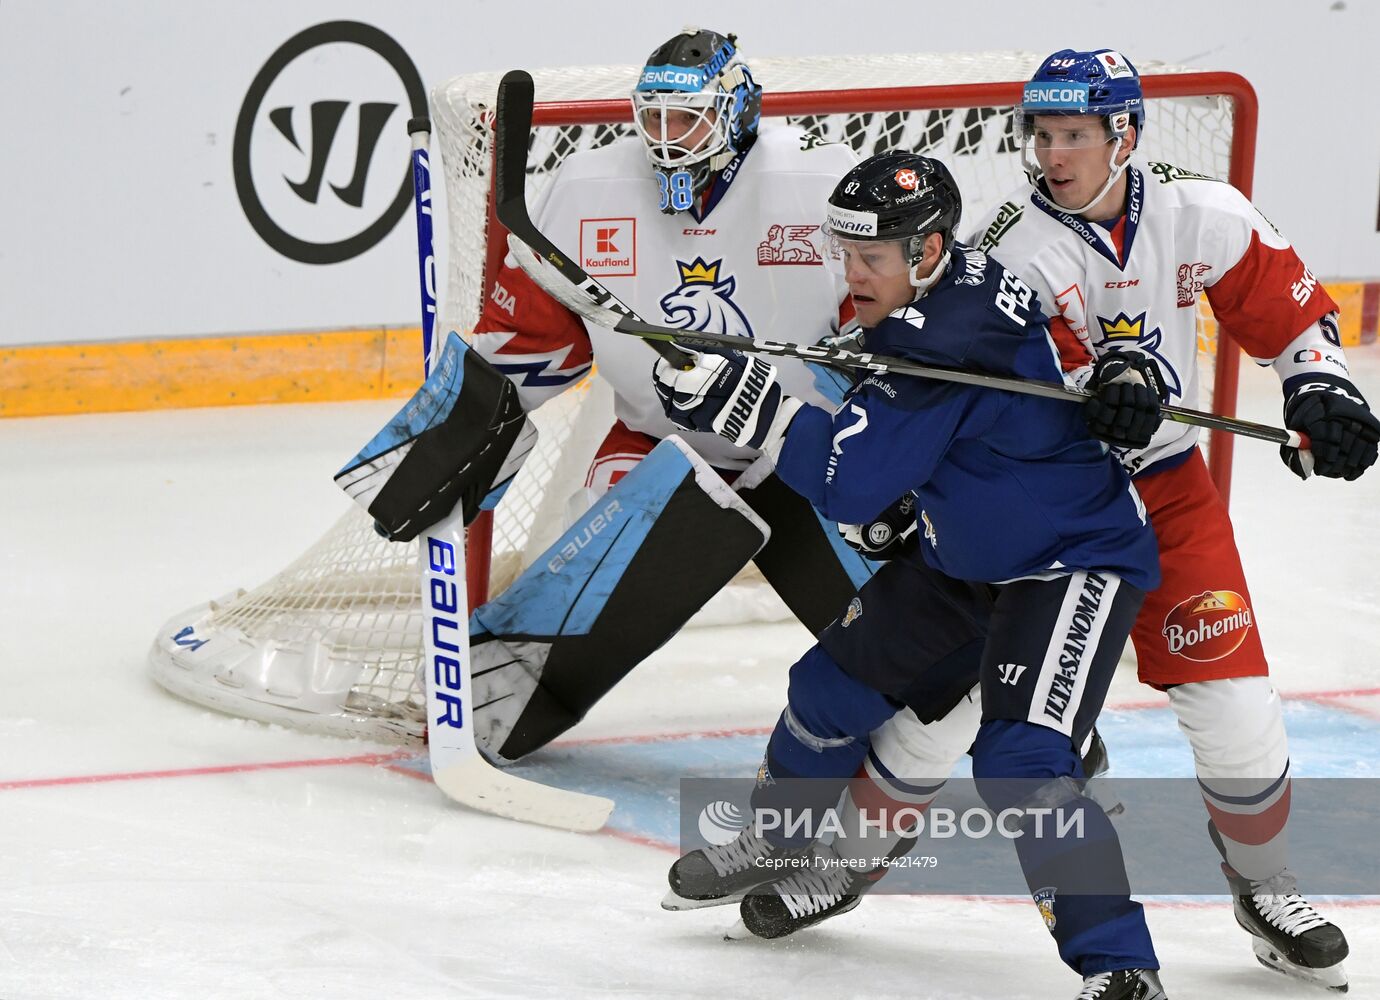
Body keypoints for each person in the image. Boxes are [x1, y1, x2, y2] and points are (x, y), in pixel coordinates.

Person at [654, 151, 1169, 1000]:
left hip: (1068, 561)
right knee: (826, 690)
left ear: (929, 251)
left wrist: (757, 409)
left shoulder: (943, 334)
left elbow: (848, 480)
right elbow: (911, 446)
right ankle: (782, 840)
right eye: (845, 253)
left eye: (872, 260)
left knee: (1021, 760)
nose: (852, 275)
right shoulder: (943, 294)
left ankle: (1120, 965)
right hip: (960, 554)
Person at [966, 47, 1375, 993]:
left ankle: (1264, 885)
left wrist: (1321, 392)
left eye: (1074, 135)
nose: (1052, 154)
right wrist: (1090, 387)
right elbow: (1021, 375)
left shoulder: (1205, 211)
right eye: (1041, 134)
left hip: (1168, 493)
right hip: (1047, 508)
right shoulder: (1008, 245)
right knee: (959, 716)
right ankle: (836, 863)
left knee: (1239, 715)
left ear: (1126, 136)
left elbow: (1291, 315)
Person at [461, 27, 871, 761]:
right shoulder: (588, 189)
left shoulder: (822, 181)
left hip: (805, 444)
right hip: (658, 448)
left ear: (737, 111)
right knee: (563, 613)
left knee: (907, 630)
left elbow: (881, 327)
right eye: (652, 118)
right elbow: (529, 343)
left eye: (687, 118)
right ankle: (495, 695)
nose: (665, 138)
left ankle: (984, 712)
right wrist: (462, 431)